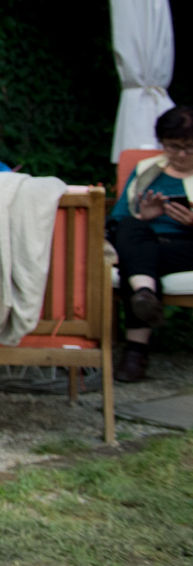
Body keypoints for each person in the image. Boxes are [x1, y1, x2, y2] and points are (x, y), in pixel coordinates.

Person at [107, 105, 193, 383]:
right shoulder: (146, 170)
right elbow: (118, 219)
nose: (181, 155)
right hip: (146, 241)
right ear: (162, 143)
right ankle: (144, 292)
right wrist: (144, 215)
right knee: (132, 227)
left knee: (138, 261)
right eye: (173, 147)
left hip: (186, 246)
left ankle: (135, 353)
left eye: (189, 148)